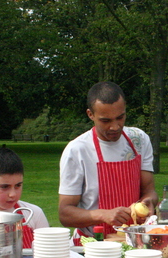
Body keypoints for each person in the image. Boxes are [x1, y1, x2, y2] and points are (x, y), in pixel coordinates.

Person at [58, 81, 158, 243]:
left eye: (120, 117)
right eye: (106, 121)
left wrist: (148, 202)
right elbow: (65, 213)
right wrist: (103, 215)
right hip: (93, 244)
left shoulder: (138, 140)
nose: (115, 126)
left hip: (133, 242)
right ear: (90, 114)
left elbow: (150, 191)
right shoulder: (77, 150)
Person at [0, 147, 49, 248]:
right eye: (4, 187)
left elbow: (48, 251)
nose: (13, 194)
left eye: (18, 186)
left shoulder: (33, 213)